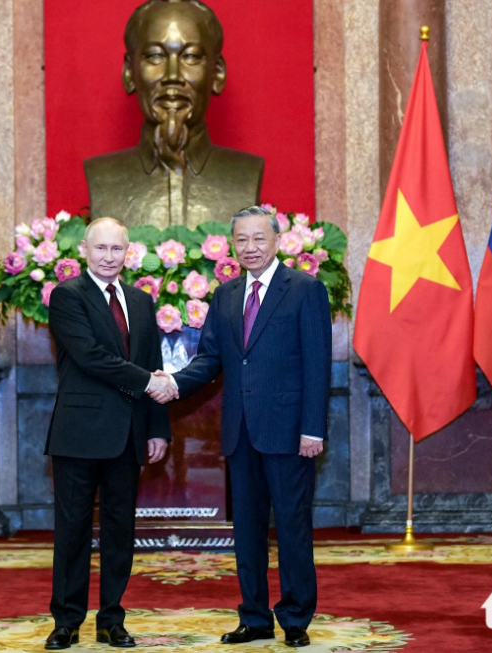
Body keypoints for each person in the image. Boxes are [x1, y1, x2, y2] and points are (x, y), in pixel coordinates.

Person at [152, 206, 331, 648]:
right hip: (240, 432)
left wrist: (314, 429)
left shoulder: (305, 290)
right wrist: (173, 382)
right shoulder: (226, 295)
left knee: (291, 526)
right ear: (232, 245)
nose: (250, 247)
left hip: (291, 431)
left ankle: (294, 619)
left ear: (276, 241)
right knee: (247, 530)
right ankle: (253, 617)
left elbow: (317, 364)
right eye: (241, 240)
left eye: (258, 239)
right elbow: (210, 359)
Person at [44, 218, 178, 650]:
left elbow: (154, 361)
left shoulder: (141, 302)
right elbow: (91, 357)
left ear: (128, 253)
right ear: (84, 250)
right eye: (100, 248)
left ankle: (112, 619)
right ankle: (66, 621)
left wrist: (158, 428)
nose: (108, 257)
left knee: (121, 530)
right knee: (73, 530)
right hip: (79, 434)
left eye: (116, 250)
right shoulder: (67, 296)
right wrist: (150, 383)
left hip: (128, 435)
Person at [84, 0, 264, 229]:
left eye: (190, 57)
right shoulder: (103, 177)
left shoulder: (245, 174)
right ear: (129, 73)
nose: (172, 76)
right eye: (155, 56)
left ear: (217, 73)